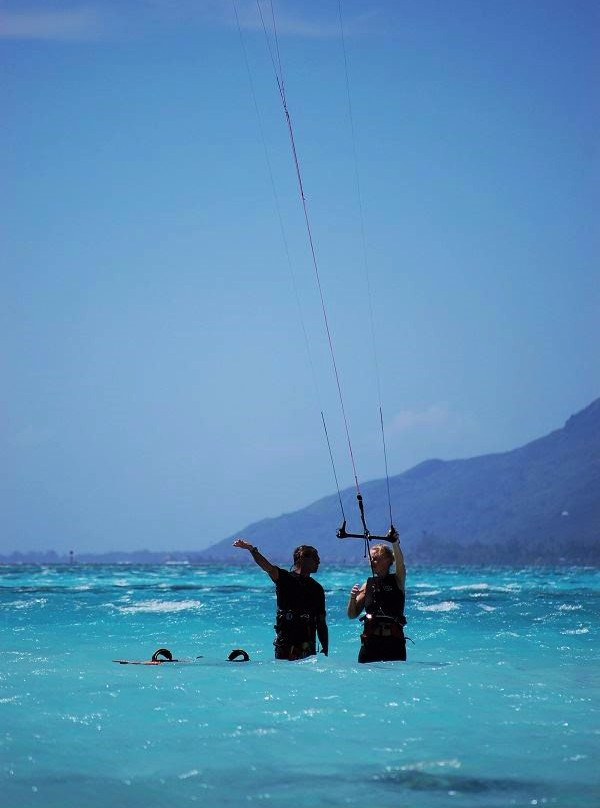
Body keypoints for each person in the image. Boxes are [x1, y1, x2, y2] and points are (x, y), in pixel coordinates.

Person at [233, 539, 329, 660]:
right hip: (286, 643)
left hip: (307, 645)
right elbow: (267, 567)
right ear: (302, 559)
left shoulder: (317, 588)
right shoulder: (285, 578)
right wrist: (252, 550)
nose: (319, 561)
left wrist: (325, 648)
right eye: (315, 558)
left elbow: (321, 621)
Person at [347, 528, 407, 663]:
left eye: (375, 559)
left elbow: (400, 564)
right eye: (370, 559)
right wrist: (352, 597)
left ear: (387, 560)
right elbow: (352, 615)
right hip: (370, 643)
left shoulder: (397, 580)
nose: (371, 562)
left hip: (393, 642)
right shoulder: (367, 585)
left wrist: (394, 543)